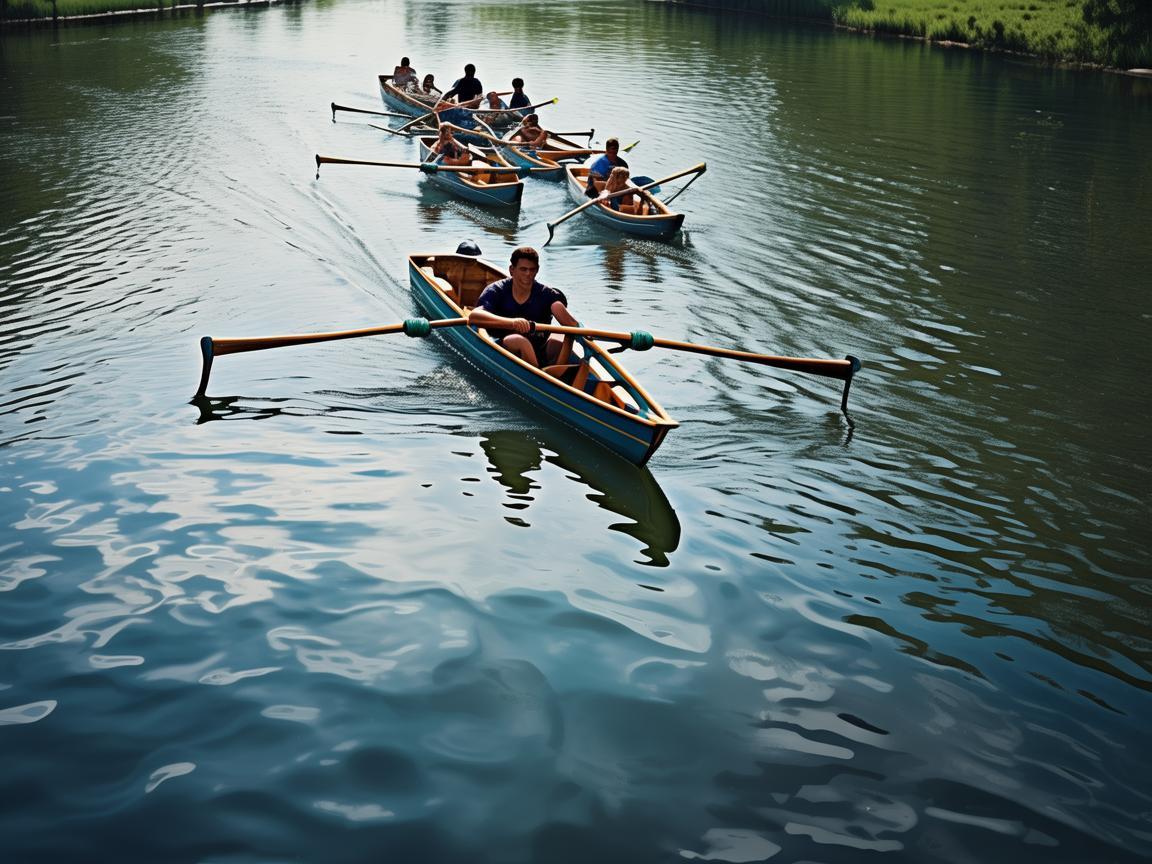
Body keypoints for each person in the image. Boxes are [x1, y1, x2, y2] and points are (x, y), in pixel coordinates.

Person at [468, 247, 578, 368]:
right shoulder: (497, 290)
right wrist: (513, 323)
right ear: (511, 270)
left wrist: (571, 327)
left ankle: (557, 374)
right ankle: (539, 377)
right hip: (501, 343)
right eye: (523, 269)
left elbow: (573, 325)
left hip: (537, 349)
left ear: (537, 270)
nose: (528, 274)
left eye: (532, 270)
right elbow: (474, 317)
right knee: (520, 341)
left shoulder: (547, 294)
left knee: (562, 337)